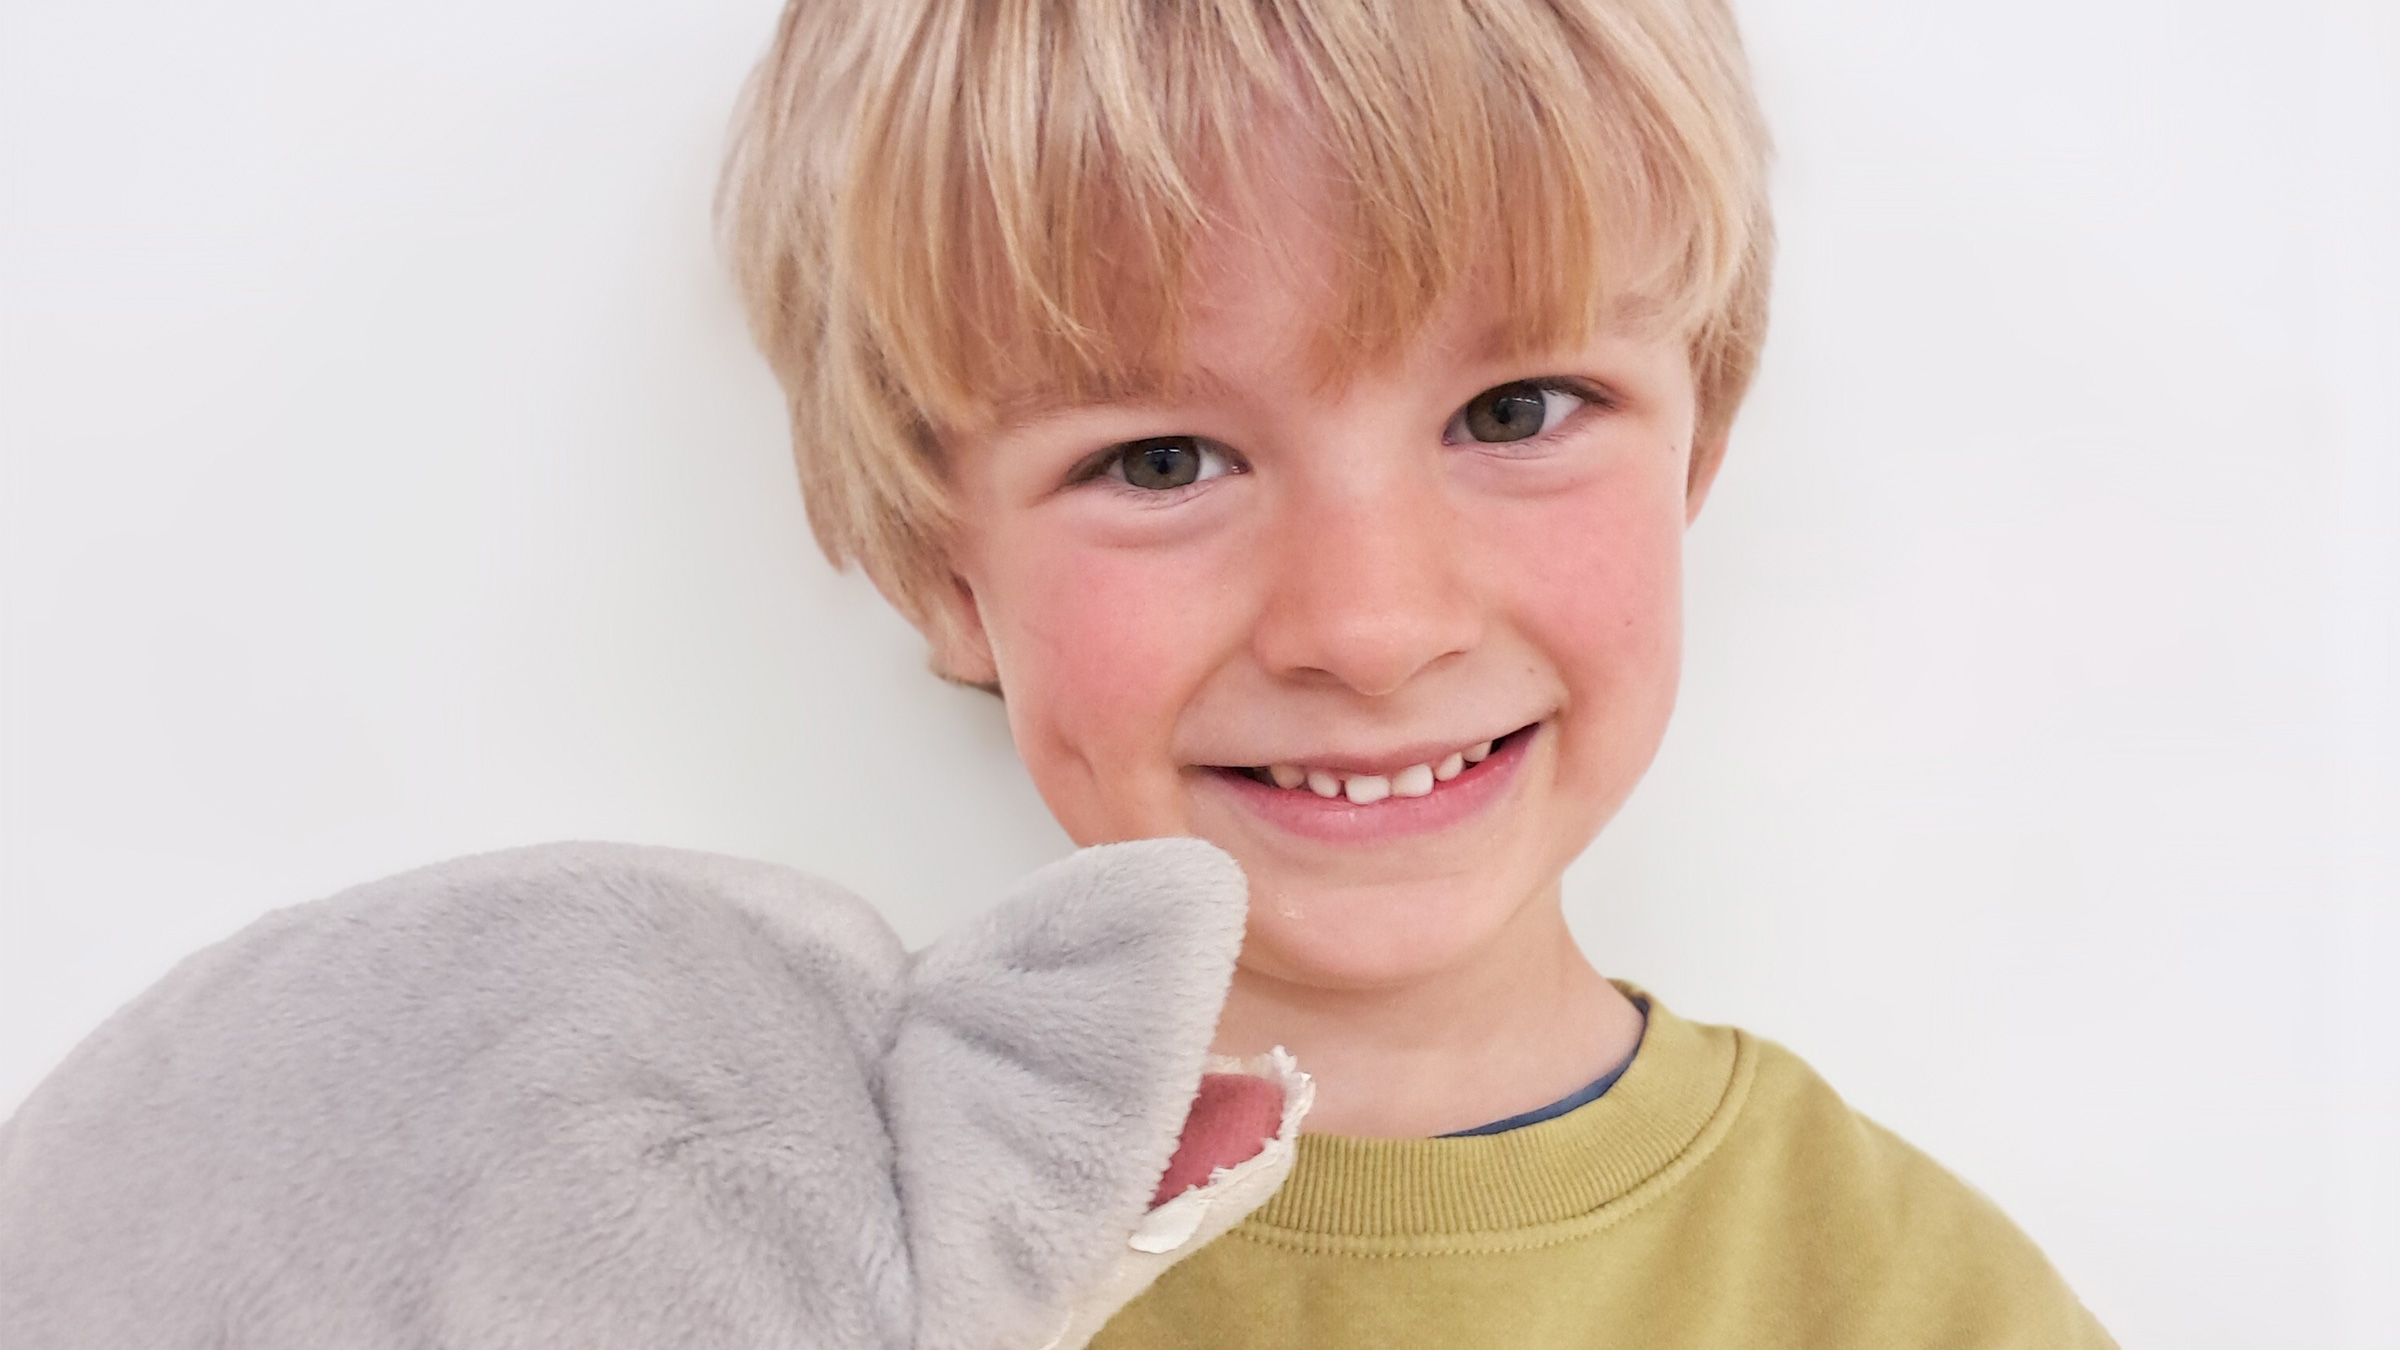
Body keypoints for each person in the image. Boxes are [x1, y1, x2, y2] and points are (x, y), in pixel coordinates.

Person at [717, 1, 2116, 1344]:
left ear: (1694, 454)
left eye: (1513, 413)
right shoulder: (776, 1259)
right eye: (1160, 460)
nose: (1372, 628)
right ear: (942, 572)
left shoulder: (1927, 1309)